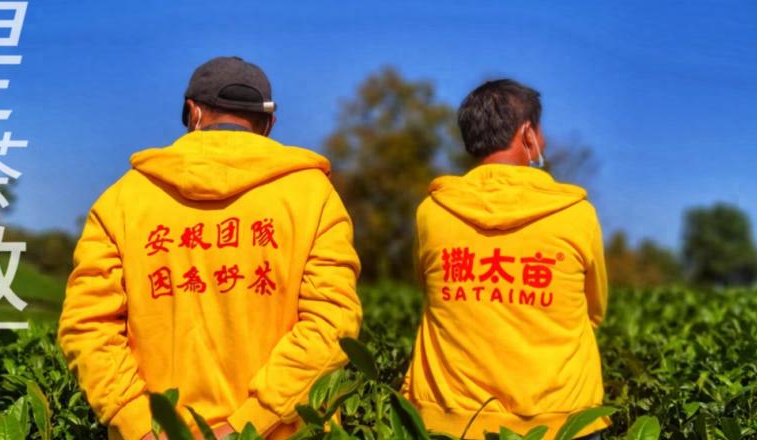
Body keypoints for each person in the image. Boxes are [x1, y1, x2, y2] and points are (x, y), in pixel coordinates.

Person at [58, 56, 362, 440]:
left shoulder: (121, 200)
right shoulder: (314, 197)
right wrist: (245, 425)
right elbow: (332, 325)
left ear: (193, 112)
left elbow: (87, 327)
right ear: (269, 124)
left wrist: (140, 427)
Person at [402, 79, 609, 439]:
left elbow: (431, 296)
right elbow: (594, 310)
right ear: (527, 133)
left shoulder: (432, 213)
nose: (543, 141)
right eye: (540, 132)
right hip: (565, 421)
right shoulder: (577, 215)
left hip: (450, 420)